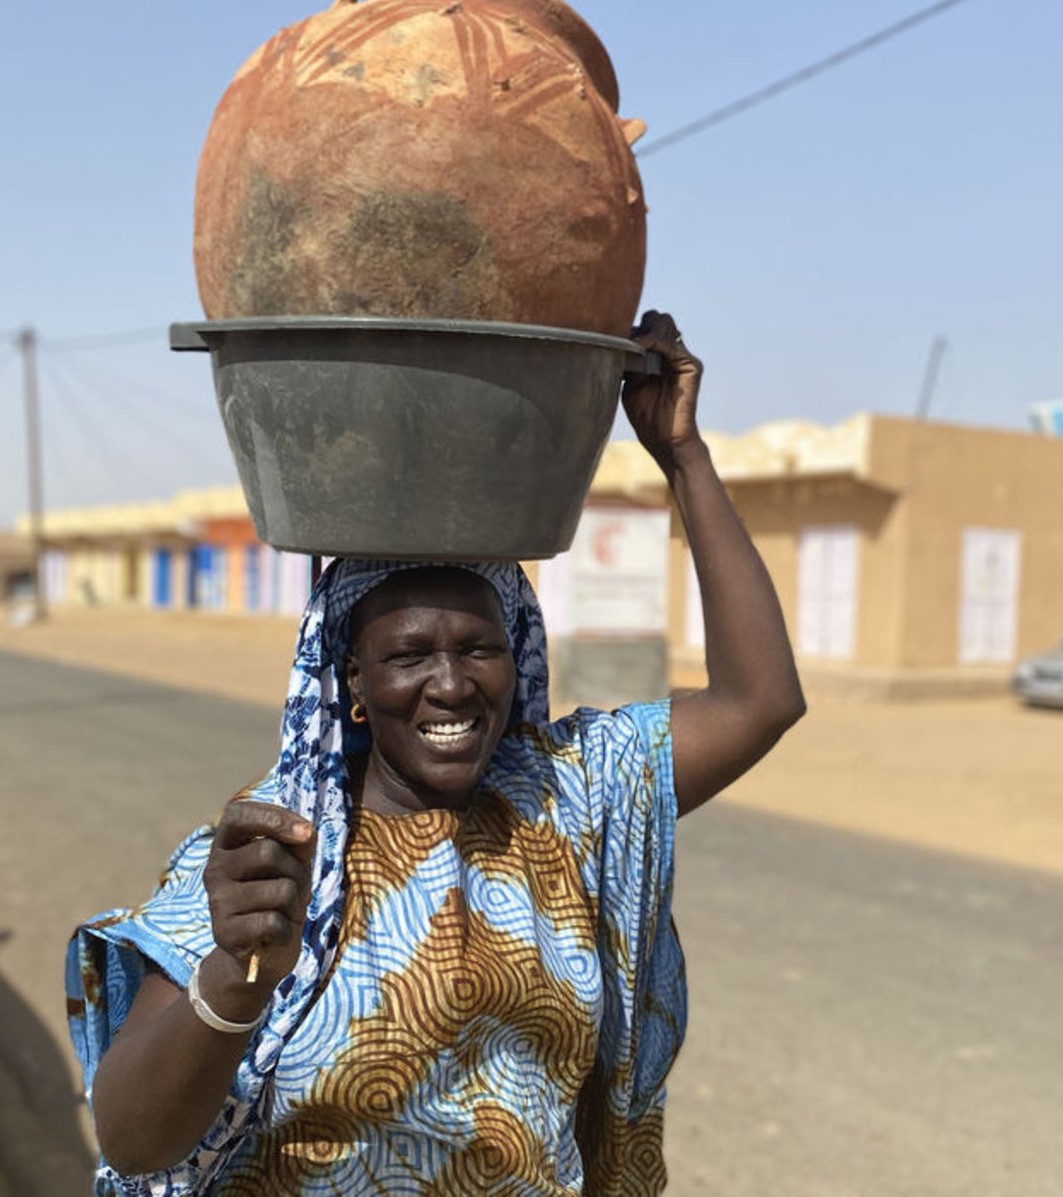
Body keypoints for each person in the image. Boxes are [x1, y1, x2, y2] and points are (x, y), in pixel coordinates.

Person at [66, 312, 806, 1195]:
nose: (451, 685)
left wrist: (682, 454)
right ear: (352, 680)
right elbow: (134, 1138)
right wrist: (236, 971)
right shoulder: (275, 856)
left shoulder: (567, 797)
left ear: (517, 655)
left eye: (478, 648)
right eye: (409, 655)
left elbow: (760, 699)